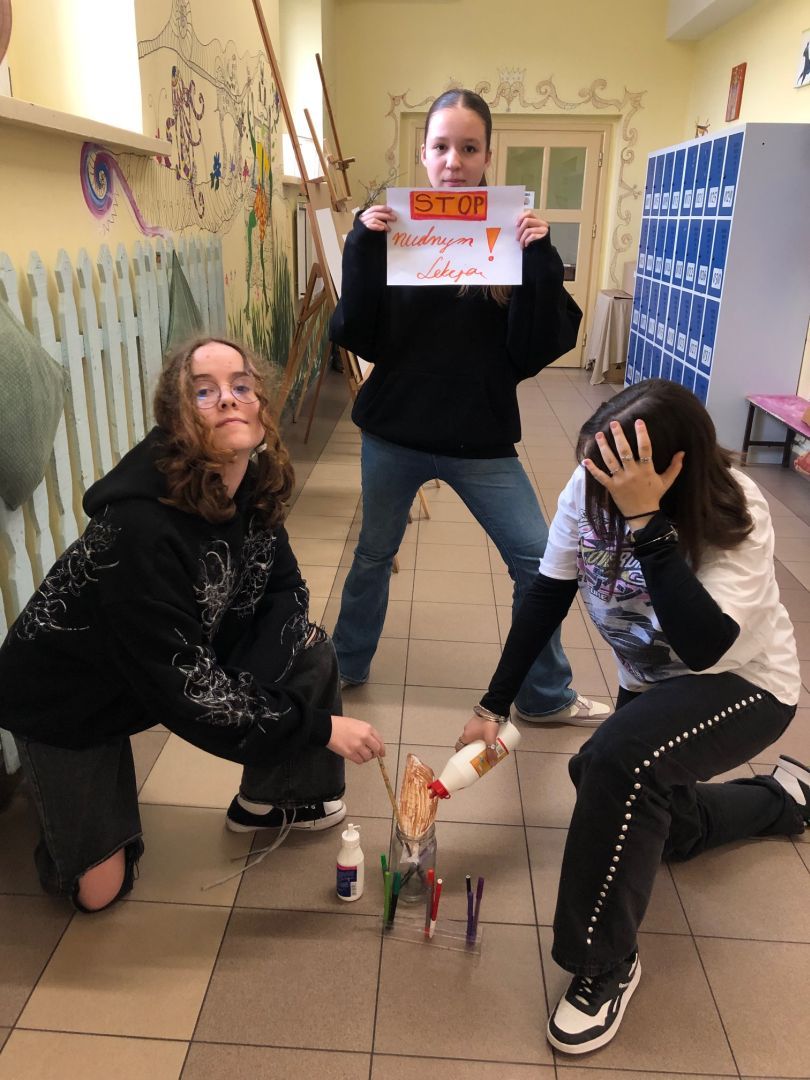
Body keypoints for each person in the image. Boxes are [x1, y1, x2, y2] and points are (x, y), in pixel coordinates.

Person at [457, 378, 806, 1055]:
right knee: (631, 803)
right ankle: (782, 800)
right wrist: (491, 705)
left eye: (614, 475)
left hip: (745, 684)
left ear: (672, 471)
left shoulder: (736, 508)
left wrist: (646, 523)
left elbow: (705, 647)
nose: (595, 486)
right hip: (651, 684)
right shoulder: (589, 485)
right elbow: (547, 594)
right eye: (594, 468)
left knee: (616, 764)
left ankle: (603, 963)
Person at [0, 337, 385, 912]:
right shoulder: (141, 528)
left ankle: (281, 798)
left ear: (261, 405)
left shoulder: (250, 483)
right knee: (100, 892)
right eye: (204, 392)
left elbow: (285, 588)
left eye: (241, 386)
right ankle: (55, 799)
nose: (228, 399)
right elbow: (188, 695)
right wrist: (314, 726)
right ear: (177, 419)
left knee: (305, 645)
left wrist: (256, 693)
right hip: (68, 698)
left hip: (154, 667)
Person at [330, 88, 609, 725]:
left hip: (479, 438)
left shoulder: (511, 233)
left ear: (487, 155)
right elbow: (359, 333)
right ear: (424, 153)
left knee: (536, 560)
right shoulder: (394, 229)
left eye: (468, 147)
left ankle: (543, 694)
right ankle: (344, 665)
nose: (453, 161)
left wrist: (540, 258)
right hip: (394, 433)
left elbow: (533, 346)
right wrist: (360, 247)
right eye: (441, 147)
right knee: (373, 554)